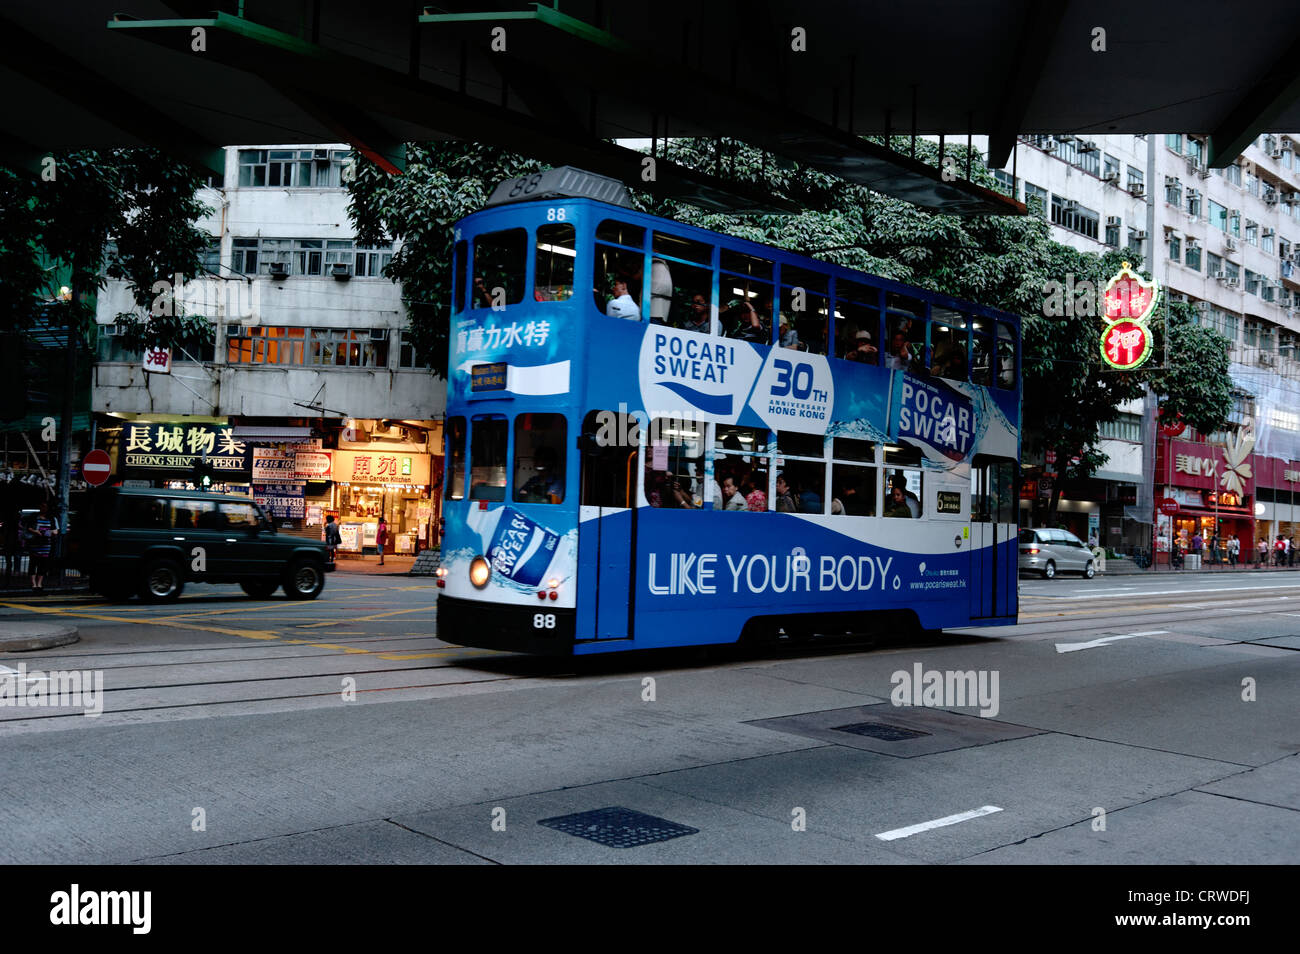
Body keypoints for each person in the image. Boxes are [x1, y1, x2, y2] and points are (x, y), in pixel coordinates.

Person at [25, 503, 56, 592]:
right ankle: (33, 584)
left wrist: (51, 533)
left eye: (45, 507)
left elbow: (55, 530)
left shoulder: (51, 518)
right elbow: (29, 528)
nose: (43, 508)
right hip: (34, 544)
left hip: (46, 545)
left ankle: (39, 584)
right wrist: (36, 532)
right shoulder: (34, 517)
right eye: (42, 506)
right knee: (33, 564)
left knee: (42, 565)